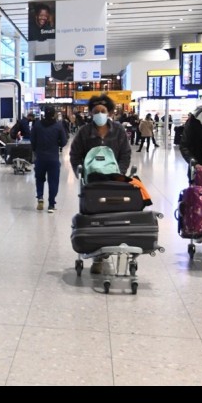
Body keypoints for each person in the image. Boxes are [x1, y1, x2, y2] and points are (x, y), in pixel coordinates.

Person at [69, 94, 132, 274]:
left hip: (113, 181)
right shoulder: (84, 132)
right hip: (92, 183)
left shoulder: (118, 130)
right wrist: (80, 173)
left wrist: (120, 173)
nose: (99, 114)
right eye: (96, 111)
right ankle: (97, 256)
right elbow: (75, 154)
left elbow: (125, 153)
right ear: (90, 113)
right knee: (94, 218)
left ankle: (110, 248)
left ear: (110, 112)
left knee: (112, 215)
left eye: (103, 111)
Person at [30, 106, 68, 213]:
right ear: (54, 114)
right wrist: (57, 143)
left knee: (39, 179)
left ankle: (40, 197)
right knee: (53, 181)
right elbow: (64, 142)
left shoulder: (37, 125)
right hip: (53, 158)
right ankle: (51, 204)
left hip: (40, 157)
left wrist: (36, 149)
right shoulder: (58, 126)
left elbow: (32, 140)